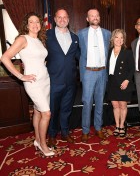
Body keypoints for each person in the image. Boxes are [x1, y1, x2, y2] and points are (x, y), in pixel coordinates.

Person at [0, 12, 54, 156]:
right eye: (32, 22)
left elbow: (39, 60)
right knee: (47, 113)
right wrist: (20, 76)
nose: (35, 24)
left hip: (45, 81)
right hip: (33, 82)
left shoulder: (40, 40)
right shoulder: (22, 39)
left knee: (37, 111)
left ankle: (37, 139)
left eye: (37, 22)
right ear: (26, 24)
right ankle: (43, 144)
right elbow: (5, 57)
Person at [46, 9, 80, 148]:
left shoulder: (75, 38)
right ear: (54, 19)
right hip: (53, 80)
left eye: (65, 17)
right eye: (59, 17)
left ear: (68, 19)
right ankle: (52, 135)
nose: (62, 19)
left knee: (67, 109)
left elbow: (79, 57)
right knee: (52, 110)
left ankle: (65, 133)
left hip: (71, 81)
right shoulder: (46, 35)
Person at [78, 8, 111, 142]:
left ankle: (98, 128)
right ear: (87, 19)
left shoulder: (107, 34)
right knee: (87, 102)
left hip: (102, 72)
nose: (95, 17)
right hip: (88, 72)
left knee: (99, 101)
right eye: (92, 16)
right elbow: (78, 53)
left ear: (99, 17)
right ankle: (85, 130)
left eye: (97, 15)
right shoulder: (81, 34)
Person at [106, 29, 135, 137]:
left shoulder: (127, 52)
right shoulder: (108, 51)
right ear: (113, 38)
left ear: (124, 40)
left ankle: (122, 126)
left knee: (123, 105)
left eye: (121, 37)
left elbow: (132, 69)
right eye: (117, 37)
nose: (119, 40)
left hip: (123, 82)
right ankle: (117, 125)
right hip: (112, 82)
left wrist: (127, 80)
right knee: (115, 105)